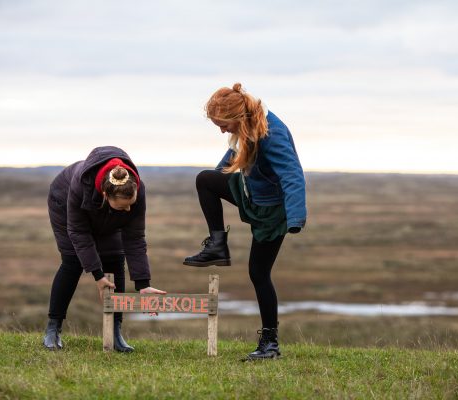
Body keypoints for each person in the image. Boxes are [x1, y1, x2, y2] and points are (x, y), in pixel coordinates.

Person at [183, 83, 306, 360]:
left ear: (236, 116)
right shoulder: (246, 124)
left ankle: (270, 344)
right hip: (251, 194)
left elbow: (292, 174)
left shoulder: (271, 132)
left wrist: (295, 217)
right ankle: (217, 246)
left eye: (222, 124)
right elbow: (234, 156)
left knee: (258, 273)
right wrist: (219, 179)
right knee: (205, 180)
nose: (221, 130)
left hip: (272, 213)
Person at [44, 146, 165, 352]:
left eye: (131, 205)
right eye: (122, 207)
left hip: (103, 209)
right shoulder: (79, 186)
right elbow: (79, 234)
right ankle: (53, 328)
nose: (128, 210)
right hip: (63, 202)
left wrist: (143, 284)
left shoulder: (136, 190)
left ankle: (115, 332)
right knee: (73, 261)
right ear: (105, 195)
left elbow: (134, 238)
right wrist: (98, 276)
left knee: (115, 258)